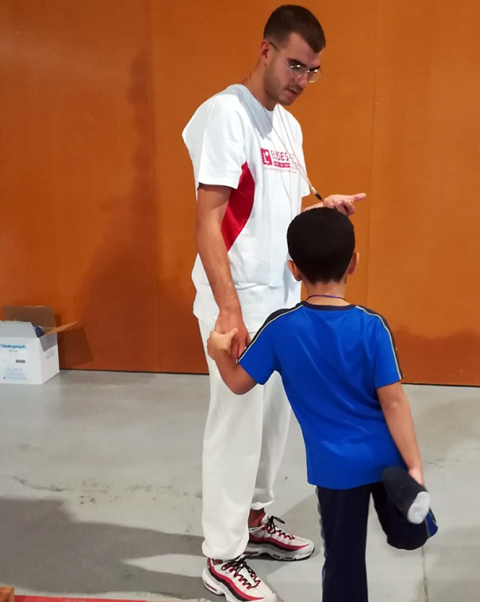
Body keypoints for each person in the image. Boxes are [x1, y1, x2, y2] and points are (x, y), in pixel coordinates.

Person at [182, 5, 365, 602]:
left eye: (313, 71)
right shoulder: (225, 114)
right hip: (239, 302)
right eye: (294, 65)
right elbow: (209, 220)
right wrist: (228, 309)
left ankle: (255, 521)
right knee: (234, 425)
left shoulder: (287, 126)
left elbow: (292, 199)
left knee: (274, 422)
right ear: (265, 50)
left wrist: (322, 205)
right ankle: (222, 555)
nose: (301, 80)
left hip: (285, 302)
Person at [207, 208, 438, 602]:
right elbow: (394, 403)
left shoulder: (280, 328)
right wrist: (413, 466)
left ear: (293, 270)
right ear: (354, 263)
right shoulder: (372, 326)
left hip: (335, 470)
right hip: (384, 458)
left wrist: (218, 353)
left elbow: (237, 384)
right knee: (405, 530)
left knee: (343, 560)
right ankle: (412, 516)